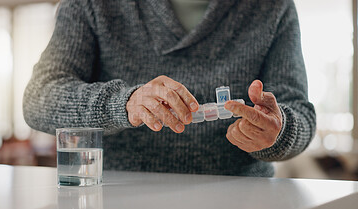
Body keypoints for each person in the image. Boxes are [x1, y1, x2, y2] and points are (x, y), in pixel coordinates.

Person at [23, 0, 316, 177]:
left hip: (241, 194)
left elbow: (300, 113)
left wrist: (278, 131)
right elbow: (39, 98)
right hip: (119, 195)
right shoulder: (92, 5)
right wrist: (123, 104)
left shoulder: (273, 6)